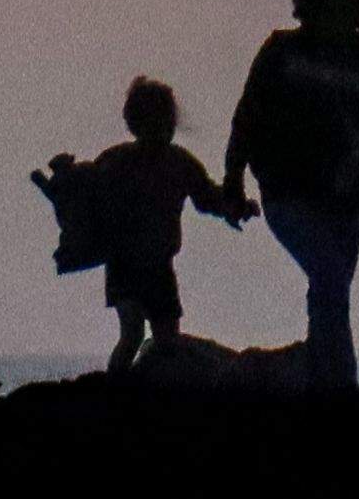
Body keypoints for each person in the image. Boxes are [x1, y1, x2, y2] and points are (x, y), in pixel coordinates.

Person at [221, 0, 359, 399]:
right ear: (310, 6)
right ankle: (342, 389)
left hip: (347, 197)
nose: (341, 18)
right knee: (330, 280)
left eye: (349, 9)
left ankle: (314, 381)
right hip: (288, 193)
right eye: (330, 7)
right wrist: (232, 181)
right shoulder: (282, 51)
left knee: (330, 292)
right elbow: (246, 118)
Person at [35, 77, 252, 375]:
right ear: (136, 123)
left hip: (160, 266)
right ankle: (116, 392)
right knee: (133, 333)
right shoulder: (118, 161)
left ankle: (148, 391)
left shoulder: (177, 162)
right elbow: (84, 193)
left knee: (166, 341)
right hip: (124, 264)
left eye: (166, 121)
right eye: (155, 121)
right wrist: (64, 177)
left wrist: (235, 207)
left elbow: (207, 196)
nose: (163, 128)